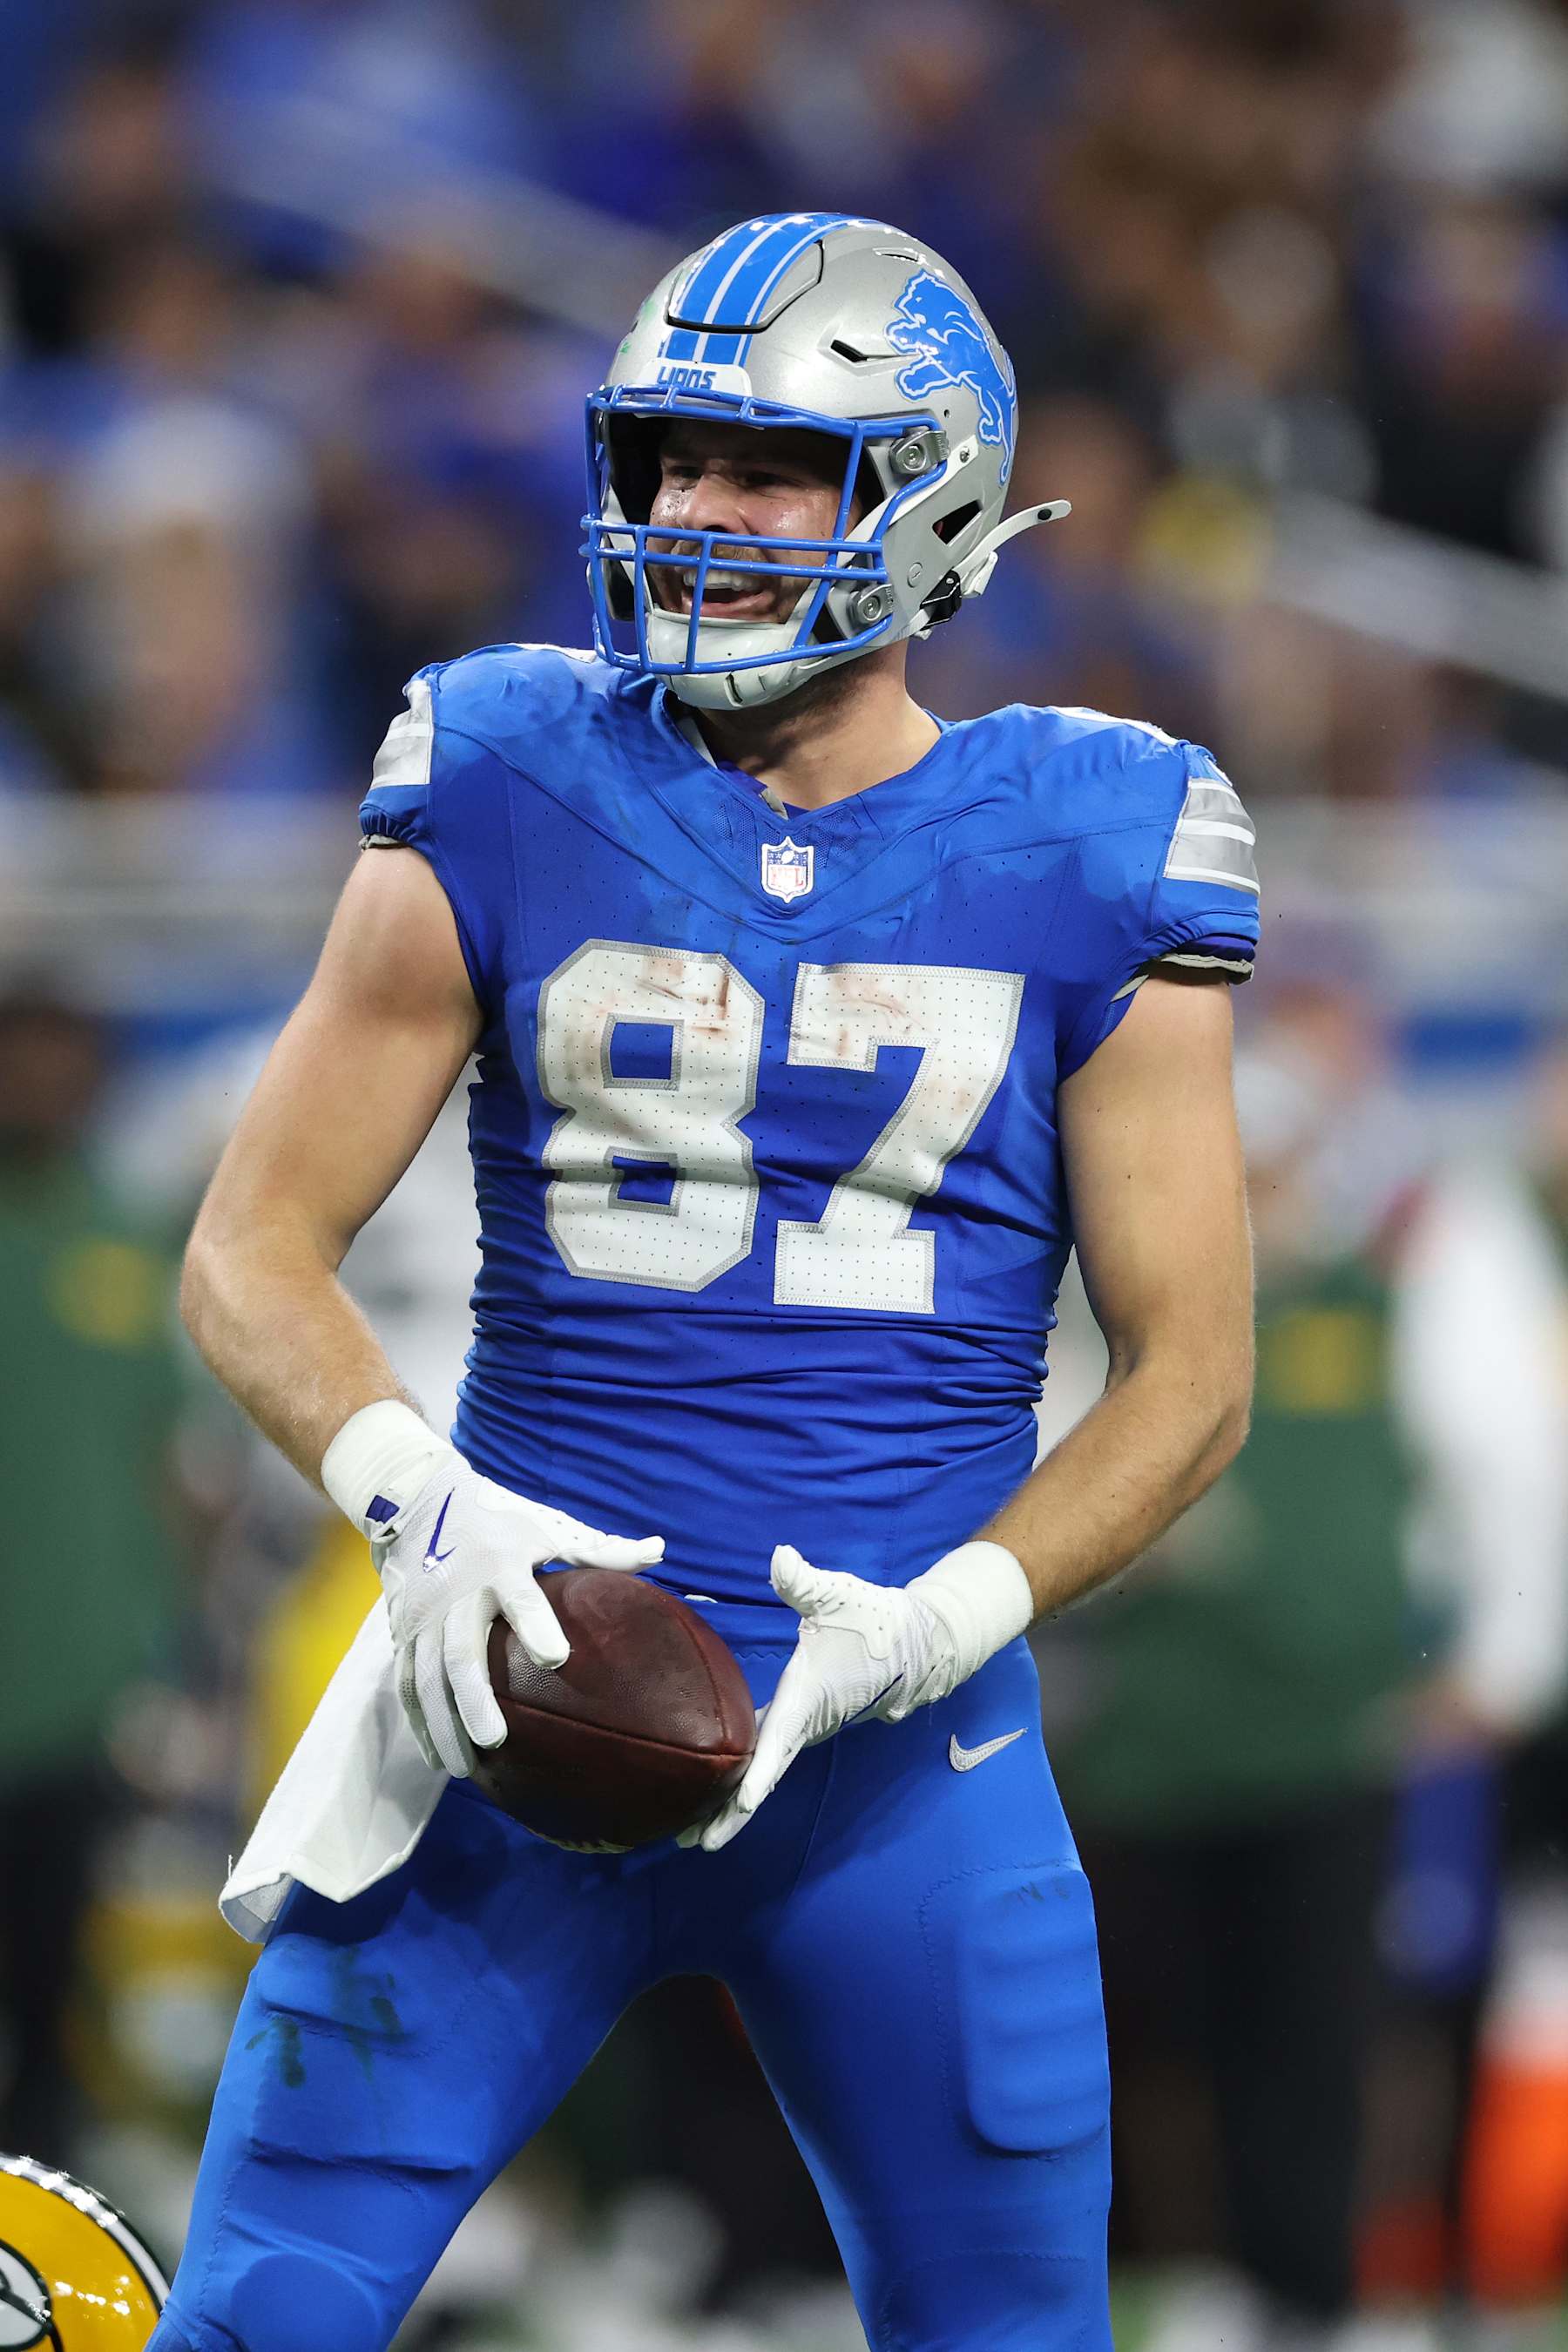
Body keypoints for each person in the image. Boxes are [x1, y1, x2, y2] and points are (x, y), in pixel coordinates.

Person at [151, 213, 1259, 2352]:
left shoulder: (1100, 834)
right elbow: (247, 1247)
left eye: (768, 470)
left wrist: (944, 1619)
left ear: (926, 493)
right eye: (669, 459)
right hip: (508, 1700)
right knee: (260, 2325)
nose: (696, 515)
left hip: (901, 1761)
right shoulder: (503, 762)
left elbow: (1194, 1375)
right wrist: (422, 1506)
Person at [0, 986, 187, 2174]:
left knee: (51, 1972)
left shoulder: (126, 1239)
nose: (44, 1085)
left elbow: (172, 1464)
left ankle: (39, 2216)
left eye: (69, 1061)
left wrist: (174, 1649)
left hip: (71, 1689)